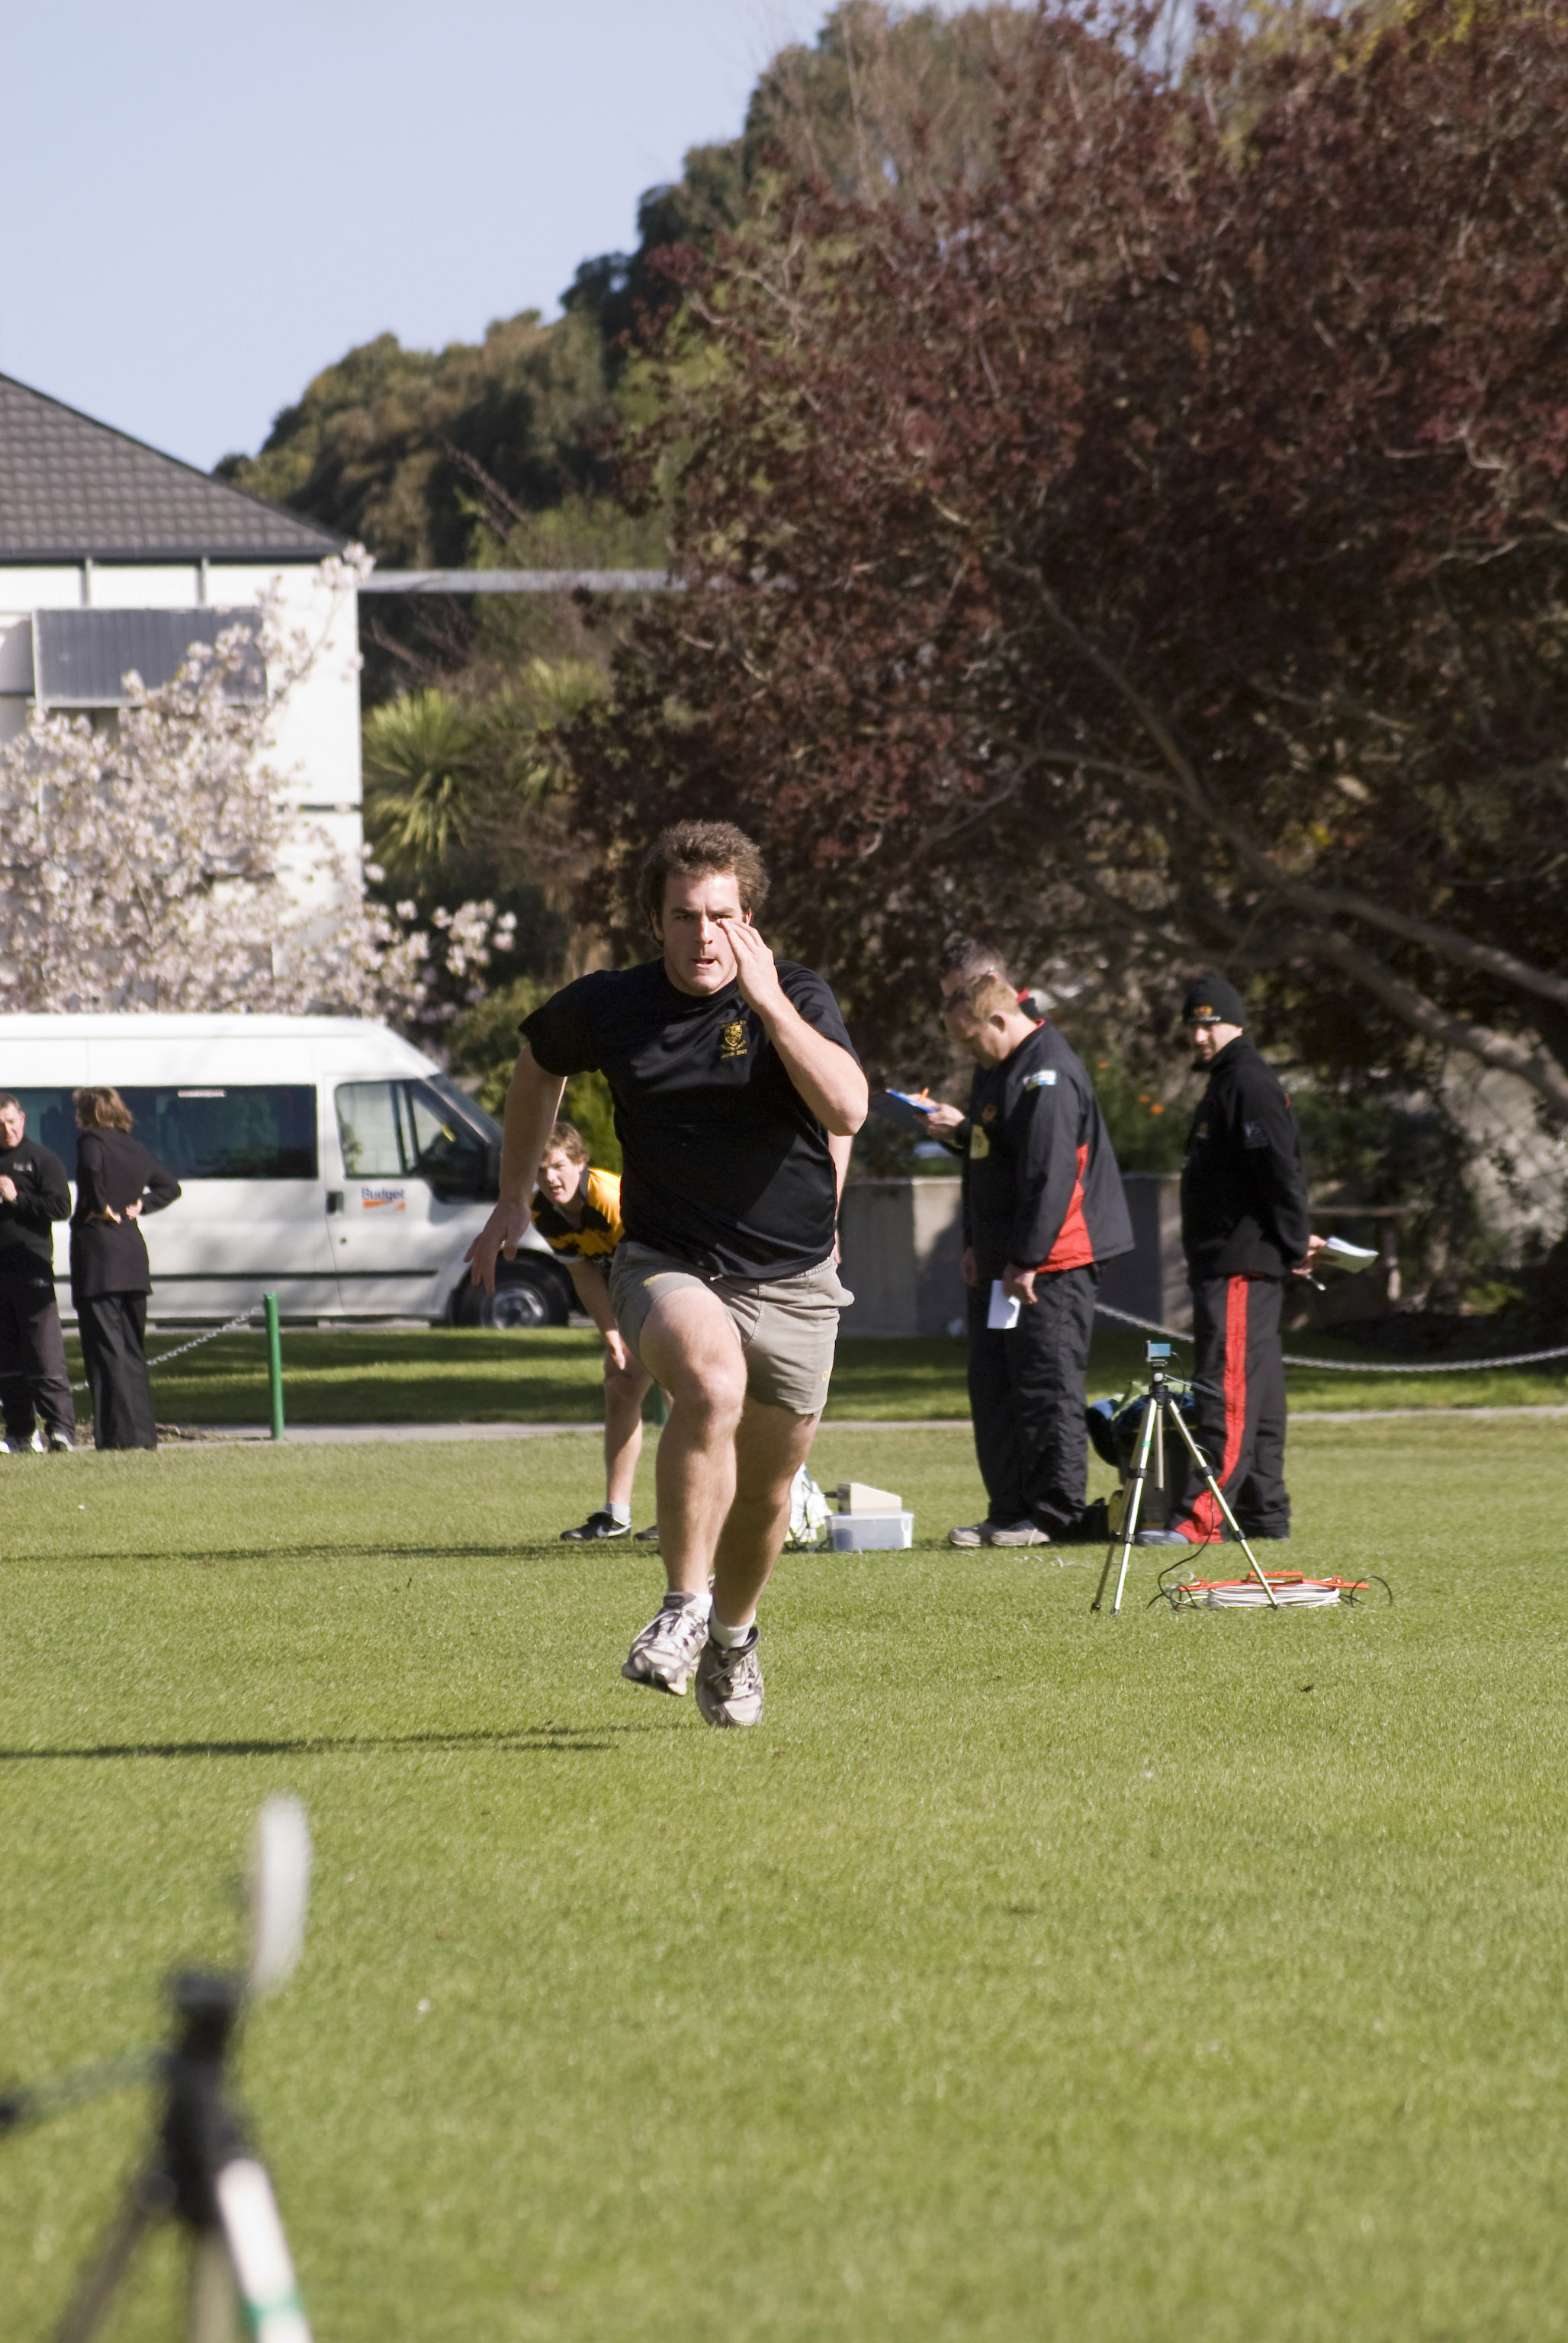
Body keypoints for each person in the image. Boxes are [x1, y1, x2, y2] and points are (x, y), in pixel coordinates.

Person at [468, 819, 866, 1730]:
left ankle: (733, 1639)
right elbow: (536, 1065)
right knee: (709, 1387)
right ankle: (683, 1609)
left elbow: (848, 1105)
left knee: (768, 1491)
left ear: (748, 919)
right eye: (683, 916)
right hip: (669, 1261)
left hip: (796, 1278)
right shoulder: (613, 1004)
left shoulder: (796, 995)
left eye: (719, 915)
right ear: (656, 922)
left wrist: (769, 1004)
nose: (701, 935)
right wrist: (515, 1196)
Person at [929, 943, 1133, 1548]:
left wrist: (1026, 1260)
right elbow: (994, 1158)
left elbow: (1050, 1176)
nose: (969, 1052)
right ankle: (1009, 1509)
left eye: (970, 1038)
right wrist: (976, 1244)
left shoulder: (1048, 1070)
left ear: (996, 1013)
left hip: (1050, 1264)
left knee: (1046, 1387)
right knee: (994, 1386)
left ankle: (1053, 1515)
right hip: (1001, 1261)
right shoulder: (997, 1066)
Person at [1136, 973, 1323, 1548]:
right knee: (1259, 1393)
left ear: (1236, 1023)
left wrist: (1295, 1243)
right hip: (1231, 1265)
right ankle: (1265, 1514)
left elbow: (1280, 1174)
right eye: (1193, 1025)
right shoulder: (1224, 1084)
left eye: (1210, 1023)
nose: (1200, 1035)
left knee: (1227, 1387)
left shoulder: (1247, 1083)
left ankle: (1200, 1516)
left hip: (1241, 1265)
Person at [530, 1117, 658, 1543]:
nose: (550, 1178)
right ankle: (615, 1515)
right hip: (631, 1293)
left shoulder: (608, 1199)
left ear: (581, 1162)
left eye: (559, 1166)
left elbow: (654, 1260)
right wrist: (612, 1335)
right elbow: (585, 1275)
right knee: (621, 1387)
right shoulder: (543, 1212)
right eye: (541, 1169)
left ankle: (690, 1510)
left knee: (687, 1392)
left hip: (673, 1283)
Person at [70, 1086, 182, 1451]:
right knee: (133, 1349)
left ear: (88, 1114)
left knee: (106, 1351)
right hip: (133, 1258)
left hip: (99, 1256)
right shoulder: (135, 1147)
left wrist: (98, 1205)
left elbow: (89, 1171)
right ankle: (142, 1434)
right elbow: (170, 1186)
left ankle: (116, 1436)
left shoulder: (91, 1141)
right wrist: (142, 1205)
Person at [0, 1092, 76, 1454]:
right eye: (0, 1125)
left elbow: (61, 1207)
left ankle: (61, 1431)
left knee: (44, 1353)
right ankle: (19, 1432)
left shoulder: (42, 1159)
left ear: (23, 1119)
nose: (7, 1130)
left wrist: (18, 1199)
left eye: (11, 1122)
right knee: (7, 1358)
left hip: (32, 1268)